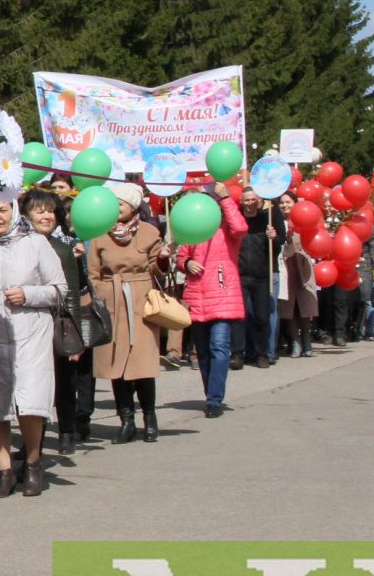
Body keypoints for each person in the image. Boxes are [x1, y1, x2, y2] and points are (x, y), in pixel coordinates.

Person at [0, 190, 65, 497]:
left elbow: (60, 289)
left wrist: (29, 294)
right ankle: (5, 470)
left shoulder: (35, 242)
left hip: (31, 328)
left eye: (3, 210)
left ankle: (33, 462)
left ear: (14, 211)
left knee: (30, 400)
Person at [87, 183, 166, 443]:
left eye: (120, 203)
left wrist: (164, 258)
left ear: (133, 206)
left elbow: (158, 268)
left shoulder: (149, 232)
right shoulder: (100, 234)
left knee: (142, 364)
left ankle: (150, 418)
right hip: (113, 302)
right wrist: (101, 295)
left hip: (140, 301)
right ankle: (126, 419)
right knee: (116, 365)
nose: (116, 208)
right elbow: (93, 273)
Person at [23, 189, 93, 452]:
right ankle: (34, 440)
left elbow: (72, 295)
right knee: (33, 384)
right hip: (29, 323)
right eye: (39, 211)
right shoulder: (21, 246)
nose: (47, 216)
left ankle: (66, 431)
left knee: (64, 380)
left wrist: (75, 336)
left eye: (51, 211)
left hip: (57, 323)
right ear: (27, 216)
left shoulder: (62, 249)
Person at [175, 184, 248, 418]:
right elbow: (181, 256)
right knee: (204, 352)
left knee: (219, 348)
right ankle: (210, 394)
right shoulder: (192, 231)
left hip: (222, 296)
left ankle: (215, 399)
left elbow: (240, 226)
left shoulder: (225, 228)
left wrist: (226, 198)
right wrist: (187, 264)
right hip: (198, 297)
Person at [237, 190, 279, 368]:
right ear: (242, 201)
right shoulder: (237, 219)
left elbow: (275, 251)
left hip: (261, 276)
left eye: (253, 199)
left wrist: (274, 238)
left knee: (261, 316)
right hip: (240, 275)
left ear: (259, 200)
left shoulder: (266, 219)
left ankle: (262, 353)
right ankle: (240, 353)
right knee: (241, 317)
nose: (250, 203)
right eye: (247, 199)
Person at [273, 193, 318, 357]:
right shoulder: (276, 220)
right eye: (282, 202)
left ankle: (306, 339)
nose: (284, 205)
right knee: (288, 306)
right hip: (284, 265)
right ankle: (295, 341)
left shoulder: (303, 217)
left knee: (304, 305)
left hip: (302, 264)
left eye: (288, 202)